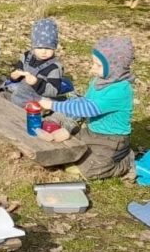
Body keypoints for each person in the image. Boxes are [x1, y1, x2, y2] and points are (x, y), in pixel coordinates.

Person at [40, 37, 135, 180]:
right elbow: (84, 101)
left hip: (112, 140)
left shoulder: (120, 90)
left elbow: (88, 108)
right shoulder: (99, 81)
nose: (92, 69)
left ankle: (125, 161)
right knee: (68, 149)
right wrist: (68, 129)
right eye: (93, 64)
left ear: (115, 67)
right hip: (92, 131)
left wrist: (53, 104)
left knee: (90, 170)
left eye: (98, 65)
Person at [7, 18, 65, 107]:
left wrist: (37, 82)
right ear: (33, 47)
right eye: (39, 48)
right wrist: (14, 76)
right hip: (20, 95)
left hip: (39, 101)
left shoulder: (54, 67)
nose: (44, 52)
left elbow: (54, 91)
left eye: (48, 48)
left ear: (54, 47)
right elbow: (18, 71)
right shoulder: (26, 56)